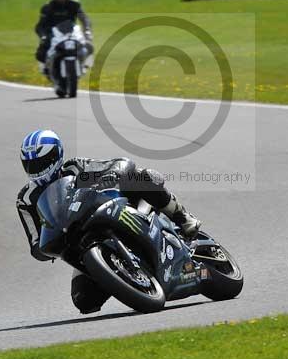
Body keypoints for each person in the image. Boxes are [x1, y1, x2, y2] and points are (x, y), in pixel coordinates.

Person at [15, 129, 201, 314]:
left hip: (107, 212)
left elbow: (121, 164)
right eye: (30, 165)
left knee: (140, 177)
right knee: (84, 301)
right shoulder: (26, 199)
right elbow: (35, 242)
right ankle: (126, 277)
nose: (36, 170)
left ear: (57, 156)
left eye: (42, 163)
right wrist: (45, 248)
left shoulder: (75, 168)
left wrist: (112, 174)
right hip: (78, 244)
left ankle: (183, 218)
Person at [35, 0, 92, 74]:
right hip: (53, 33)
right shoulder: (47, 8)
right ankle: (46, 66)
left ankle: (85, 64)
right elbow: (40, 26)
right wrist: (43, 36)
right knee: (41, 50)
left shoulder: (75, 5)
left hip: (71, 32)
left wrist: (87, 30)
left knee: (88, 45)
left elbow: (84, 19)